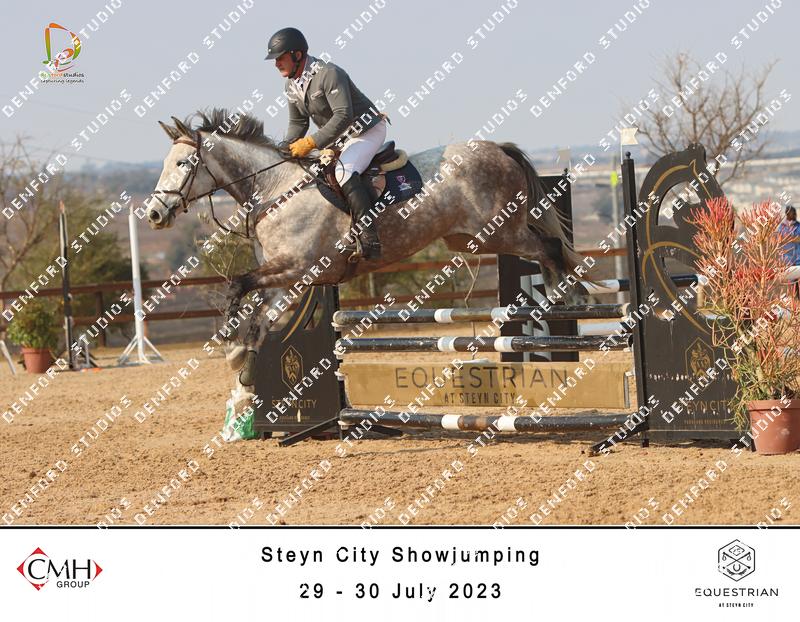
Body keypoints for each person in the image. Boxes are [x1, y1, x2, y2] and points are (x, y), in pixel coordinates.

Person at [265, 27, 385, 260]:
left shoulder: (328, 73)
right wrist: (285, 146)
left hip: (366, 130)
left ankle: (370, 238)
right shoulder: (291, 85)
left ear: (297, 55)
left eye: (280, 58)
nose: (276, 63)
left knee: (344, 172)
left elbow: (343, 115)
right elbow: (298, 122)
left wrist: (311, 142)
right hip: (340, 138)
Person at [778, 205, 800, 297]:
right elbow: (780, 240)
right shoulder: (782, 227)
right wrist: (792, 238)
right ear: (787, 214)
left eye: (795, 213)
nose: (794, 215)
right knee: (791, 284)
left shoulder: (798, 226)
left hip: (798, 258)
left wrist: (789, 238)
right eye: (792, 213)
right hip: (787, 259)